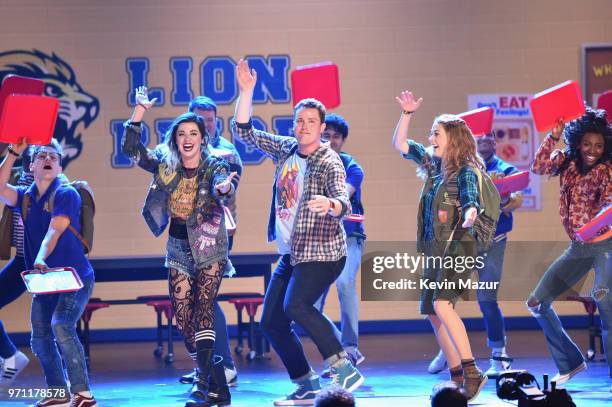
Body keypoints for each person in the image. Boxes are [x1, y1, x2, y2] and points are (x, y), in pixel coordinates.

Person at [231, 59, 364, 406]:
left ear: (322, 128)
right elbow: (245, 132)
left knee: (297, 305)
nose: (304, 127)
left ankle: (343, 366)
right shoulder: (287, 149)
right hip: (292, 253)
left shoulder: (328, 160)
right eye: (300, 121)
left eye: (311, 122)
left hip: (323, 252)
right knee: (271, 322)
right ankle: (305, 384)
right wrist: (246, 93)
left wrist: (331, 205)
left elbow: (341, 199)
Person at [122, 86, 237, 407]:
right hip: (177, 245)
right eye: (182, 133)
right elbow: (132, 150)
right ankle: (217, 383)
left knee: (203, 312)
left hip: (210, 244)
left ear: (203, 138)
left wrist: (226, 187)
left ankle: (204, 385)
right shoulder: (165, 162)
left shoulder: (216, 163)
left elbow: (225, 183)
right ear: (176, 139)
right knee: (183, 317)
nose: (188, 138)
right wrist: (139, 112)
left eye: (194, 133)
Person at [392, 90, 488, 401]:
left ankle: (473, 372)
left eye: (437, 132)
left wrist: (471, 211)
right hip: (436, 251)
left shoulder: (464, 171)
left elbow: (471, 195)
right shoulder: (434, 169)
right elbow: (400, 145)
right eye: (431, 132)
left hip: (459, 247)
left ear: (454, 140)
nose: (431, 137)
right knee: (433, 312)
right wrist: (406, 114)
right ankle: (457, 377)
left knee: (443, 305)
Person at [0, 139, 97, 407]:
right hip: (45, 280)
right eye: (41, 155)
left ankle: (83, 394)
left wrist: (41, 257)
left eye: (53, 156)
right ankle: (58, 393)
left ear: (59, 165)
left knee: (61, 325)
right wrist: (12, 153)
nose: (48, 158)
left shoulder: (66, 193)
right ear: (31, 165)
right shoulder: (26, 196)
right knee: (39, 337)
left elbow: (55, 230)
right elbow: (0, 186)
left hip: (73, 277)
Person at [528, 107, 611, 388]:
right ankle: (571, 362)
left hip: (604, 247)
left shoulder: (606, 169)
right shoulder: (565, 161)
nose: (593, 150)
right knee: (537, 303)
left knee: (604, 301)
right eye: (587, 144)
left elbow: (610, 204)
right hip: (578, 248)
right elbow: (538, 167)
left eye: (599, 146)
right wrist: (553, 136)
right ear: (577, 142)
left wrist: (598, 223)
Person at [429, 131, 523, 377]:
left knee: (486, 298)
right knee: (445, 300)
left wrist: (499, 202)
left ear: (494, 143)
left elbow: (517, 197)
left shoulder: (503, 168)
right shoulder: (459, 166)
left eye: (489, 139)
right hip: (464, 243)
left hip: (493, 244)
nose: (484, 143)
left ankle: (499, 354)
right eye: (479, 138)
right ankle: (448, 349)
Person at [177, 96, 243, 387]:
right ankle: (206, 366)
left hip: (215, 235)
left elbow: (224, 189)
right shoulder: (185, 151)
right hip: (188, 236)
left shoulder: (223, 153)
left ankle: (224, 365)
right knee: (194, 302)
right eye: (198, 121)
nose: (204, 126)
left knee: (206, 300)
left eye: (208, 121)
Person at [315, 113, 366, 371]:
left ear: (343, 141)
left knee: (345, 283)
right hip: (317, 242)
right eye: (327, 136)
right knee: (308, 307)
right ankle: (339, 351)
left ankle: (350, 347)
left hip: (349, 237)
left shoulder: (352, 167)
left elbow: (344, 195)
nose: (331, 141)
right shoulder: (309, 164)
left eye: (336, 137)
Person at [0, 144, 32, 386]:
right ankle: (11, 356)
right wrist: (12, 154)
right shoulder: (23, 189)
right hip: (23, 261)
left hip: (42, 264)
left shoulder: (60, 189)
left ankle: (70, 390)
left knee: (55, 329)